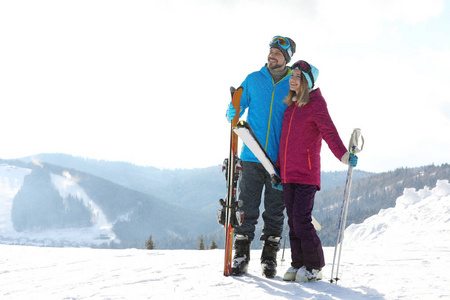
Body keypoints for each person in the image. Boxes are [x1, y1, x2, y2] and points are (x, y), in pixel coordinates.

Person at [275, 60, 358, 282]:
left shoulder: (316, 104)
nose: (292, 79)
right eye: (291, 76)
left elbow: (329, 132)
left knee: (302, 219)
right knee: (293, 221)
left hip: (306, 174)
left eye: (297, 77)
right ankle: (298, 263)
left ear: (307, 81)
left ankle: (315, 266)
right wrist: (278, 169)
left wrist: (343, 155)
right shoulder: (291, 106)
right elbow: (285, 142)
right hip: (288, 174)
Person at [225, 36, 296, 278]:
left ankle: (269, 258)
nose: (272, 55)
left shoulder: (293, 84)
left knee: (275, 210)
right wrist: (232, 110)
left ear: (287, 58)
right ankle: (241, 255)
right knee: (246, 206)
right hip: (251, 156)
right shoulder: (254, 79)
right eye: (271, 50)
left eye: (277, 52)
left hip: (279, 160)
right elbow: (237, 107)